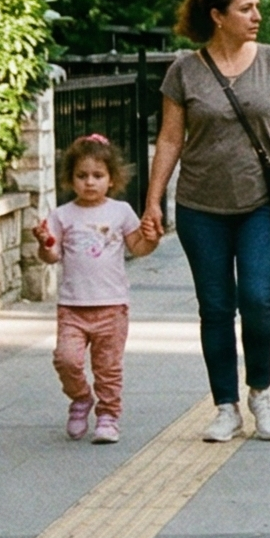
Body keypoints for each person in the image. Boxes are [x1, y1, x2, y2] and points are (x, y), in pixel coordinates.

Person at [142, 0, 270, 443]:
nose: (257, 16)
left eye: (257, 7)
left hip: (262, 203)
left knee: (258, 300)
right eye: (246, 9)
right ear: (218, 16)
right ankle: (225, 406)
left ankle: (260, 391)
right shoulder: (184, 71)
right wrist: (153, 200)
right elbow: (169, 138)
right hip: (201, 205)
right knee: (216, 307)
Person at [37, 134, 160, 444]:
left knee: (108, 368)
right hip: (73, 308)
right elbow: (51, 256)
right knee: (66, 359)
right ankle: (80, 398)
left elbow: (138, 247)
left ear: (112, 178)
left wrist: (153, 238)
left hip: (112, 307)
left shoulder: (121, 212)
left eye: (97, 176)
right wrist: (45, 244)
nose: (89, 182)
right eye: (81, 176)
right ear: (70, 178)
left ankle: (108, 415)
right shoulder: (62, 215)